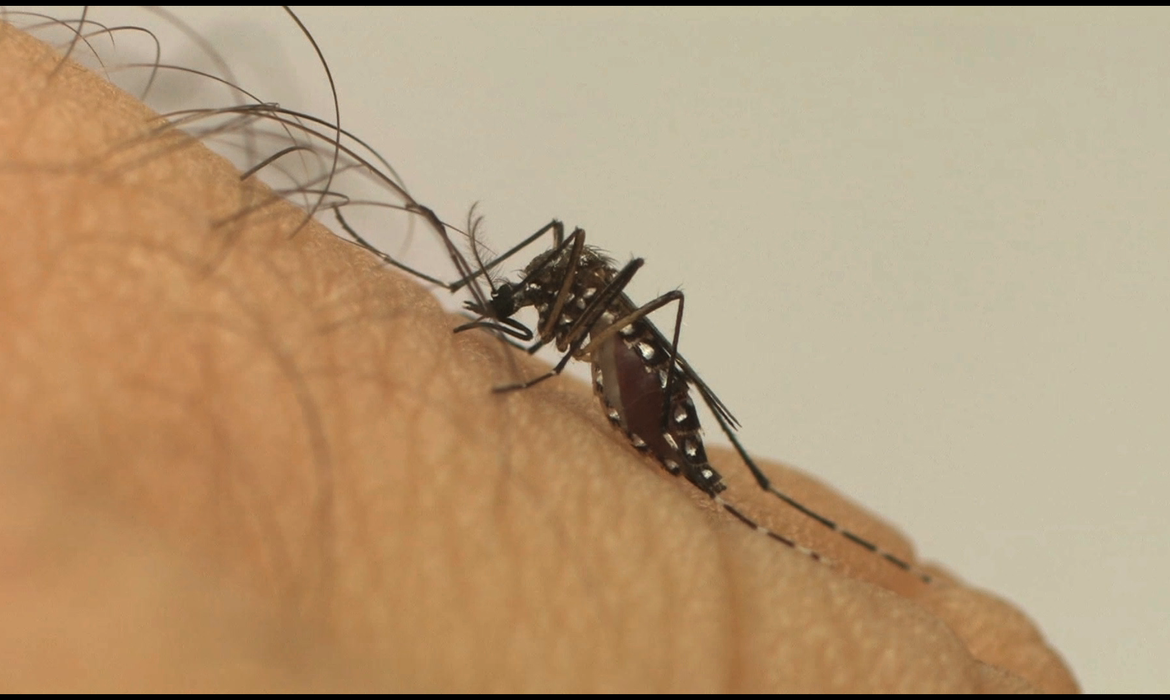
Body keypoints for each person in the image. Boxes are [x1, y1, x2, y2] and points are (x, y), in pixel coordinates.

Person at [0, 23, 1076, 692]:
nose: (516, 305)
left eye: (520, 297)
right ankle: (726, 484)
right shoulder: (549, 299)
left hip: (636, 362)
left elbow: (574, 314)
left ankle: (726, 480)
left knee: (635, 322)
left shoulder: (580, 311)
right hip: (610, 346)